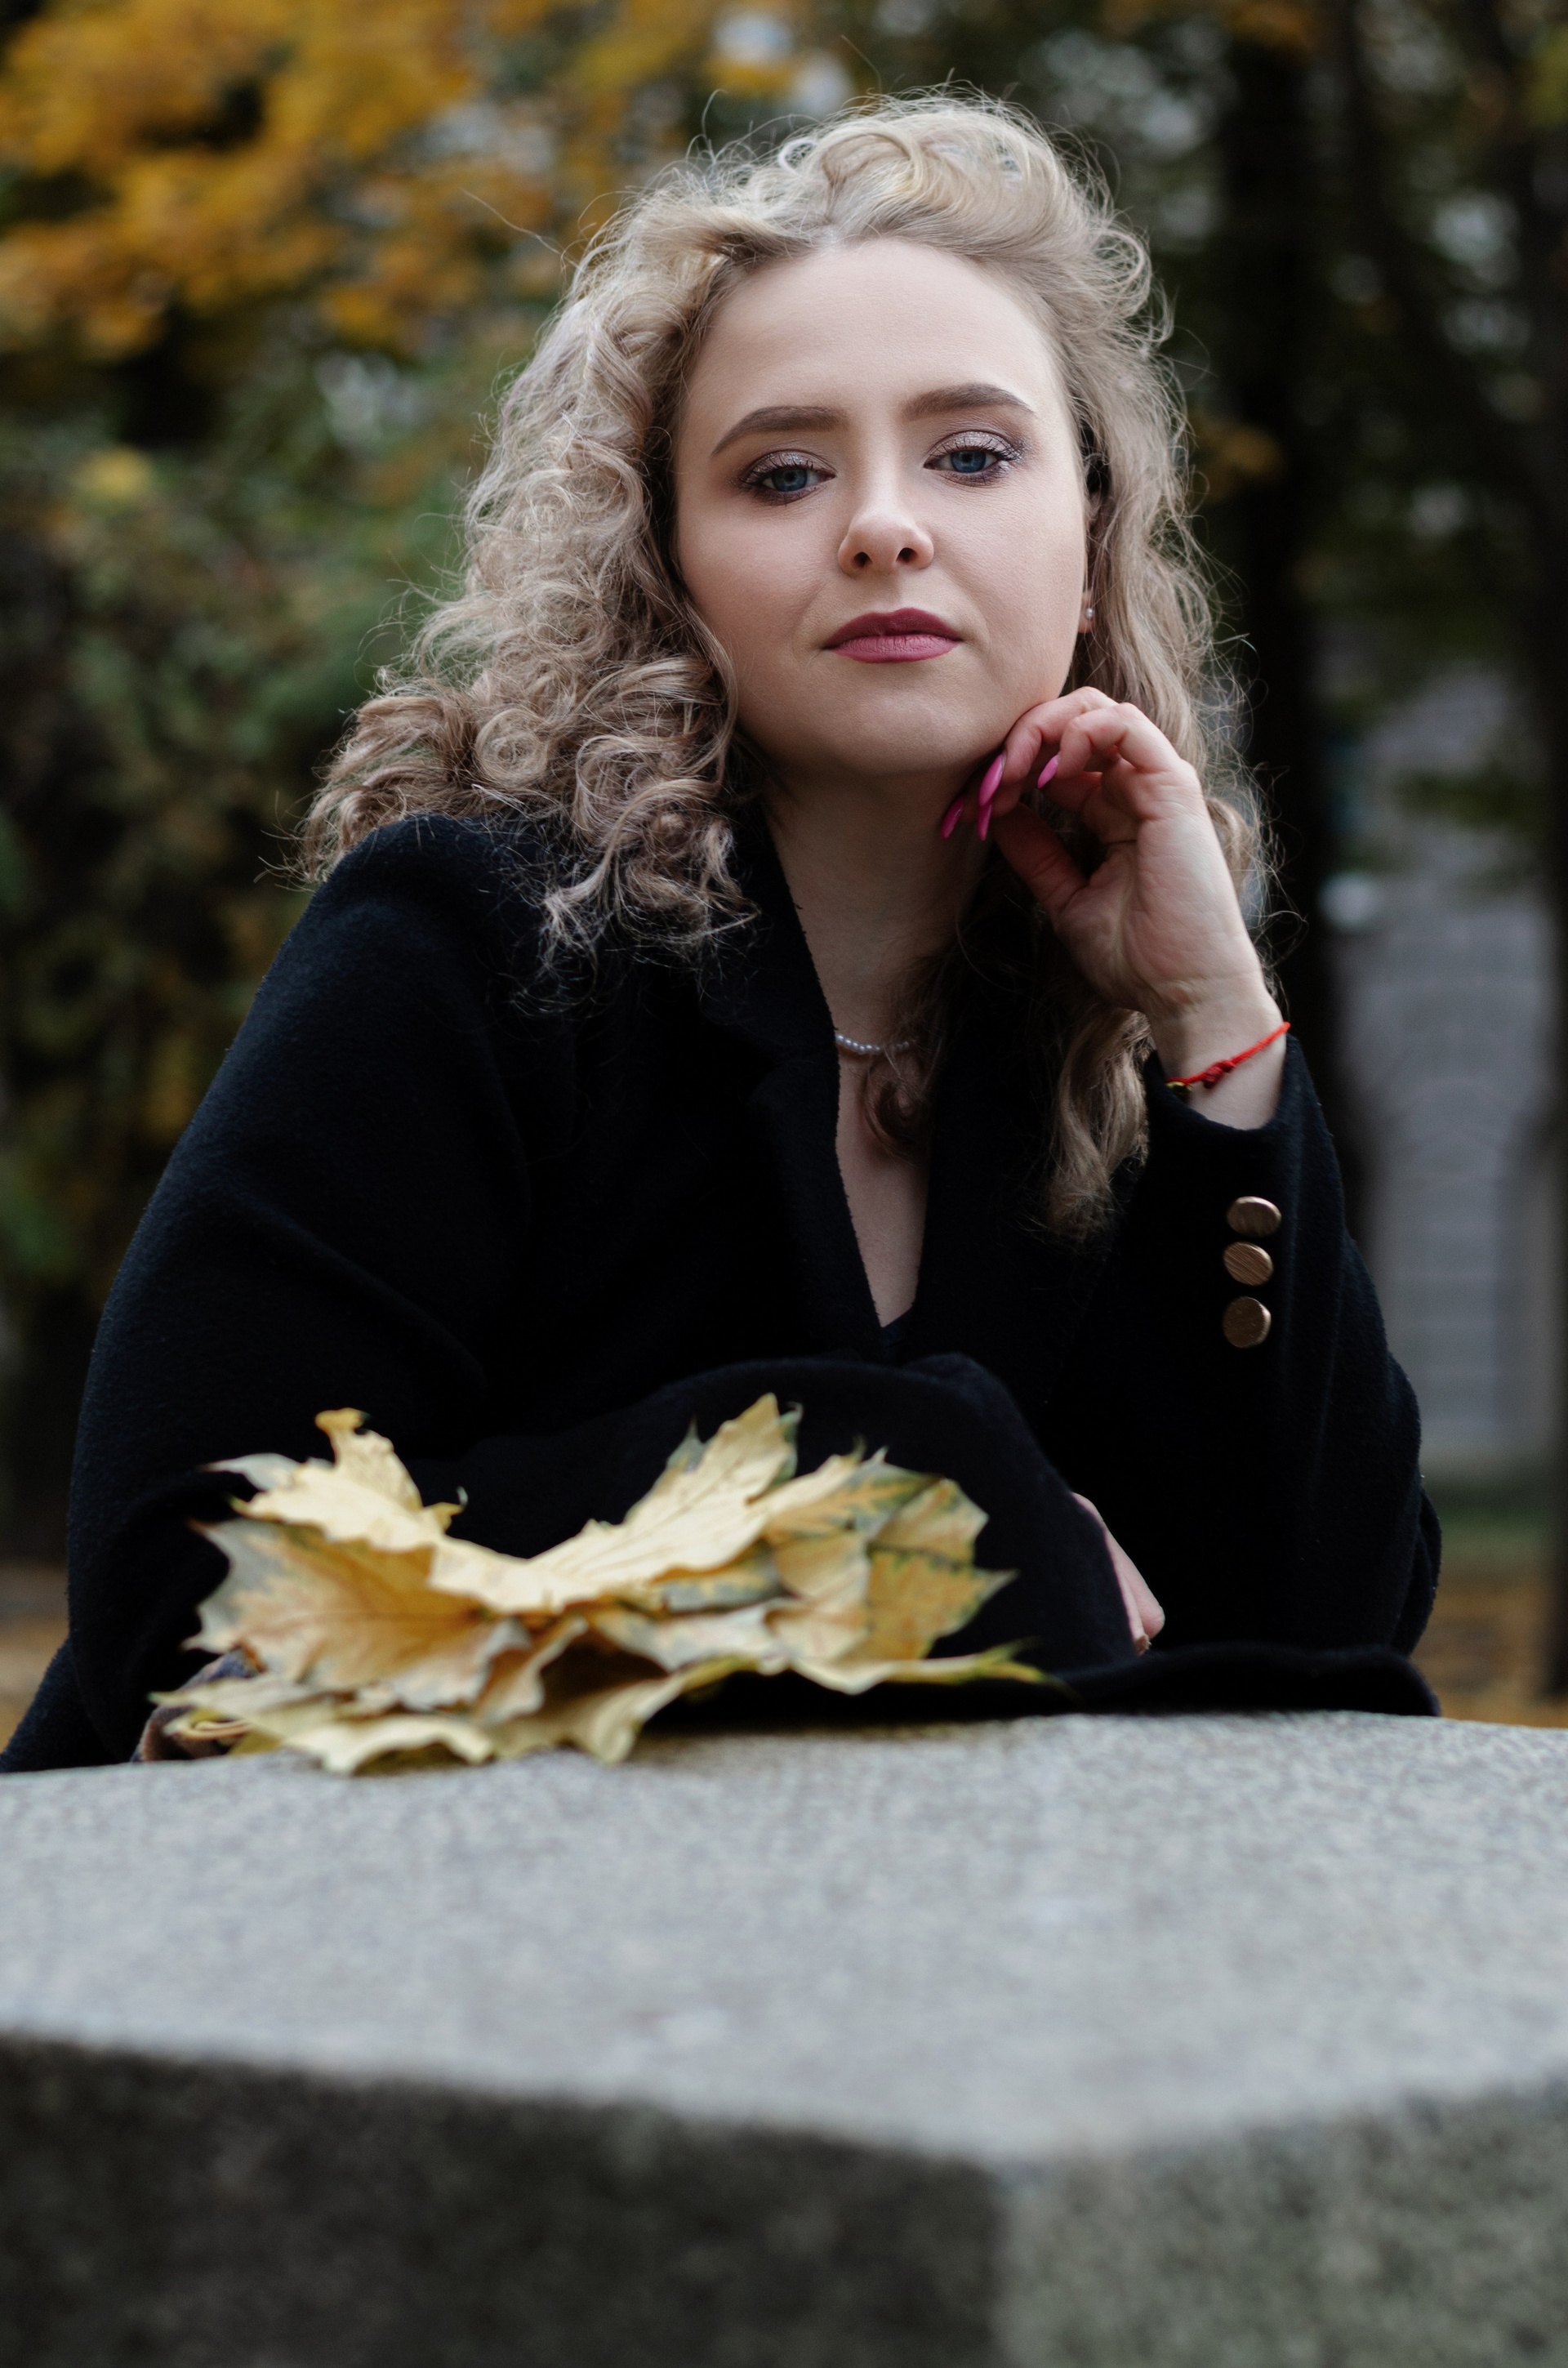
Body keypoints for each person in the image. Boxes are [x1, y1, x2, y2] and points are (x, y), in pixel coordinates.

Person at [2, 96, 1439, 1773]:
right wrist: (895, 1493)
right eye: (783, 473)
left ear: (1095, 524)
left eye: (974, 455)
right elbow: (188, 1574)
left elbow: (1329, 1621)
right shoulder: (474, 937)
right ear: (665, 558)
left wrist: (1217, 1027)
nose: (886, 526)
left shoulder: (1077, 1036)